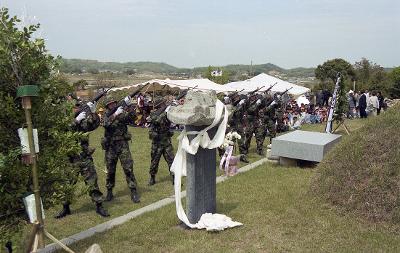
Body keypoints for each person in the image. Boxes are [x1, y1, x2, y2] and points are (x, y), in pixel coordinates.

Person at [55, 99, 109, 219]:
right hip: (70, 158)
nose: (77, 108)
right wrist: (76, 120)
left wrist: (93, 113)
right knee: (68, 184)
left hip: (84, 157)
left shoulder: (83, 121)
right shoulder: (66, 120)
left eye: (79, 106)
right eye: (76, 107)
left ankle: (99, 205)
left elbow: (93, 125)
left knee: (92, 182)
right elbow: (64, 130)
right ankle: (65, 207)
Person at [102, 97, 140, 203]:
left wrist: (130, 107)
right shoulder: (106, 115)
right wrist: (115, 114)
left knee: (128, 168)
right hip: (111, 146)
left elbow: (132, 119)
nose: (112, 105)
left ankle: (133, 191)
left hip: (122, 144)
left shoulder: (121, 113)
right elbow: (105, 124)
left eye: (114, 103)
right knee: (110, 170)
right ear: (107, 106)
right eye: (110, 104)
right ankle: (109, 192)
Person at [147, 101, 175, 186]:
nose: (163, 105)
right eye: (162, 105)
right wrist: (165, 112)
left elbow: (172, 119)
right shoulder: (153, 113)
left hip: (166, 141)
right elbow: (156, 121)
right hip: (157, 142)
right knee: (154, 161)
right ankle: (152, 177)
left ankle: (174, 178)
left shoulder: (167, 113)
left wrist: (172, 108)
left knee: (171, 160)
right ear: (159, 105)